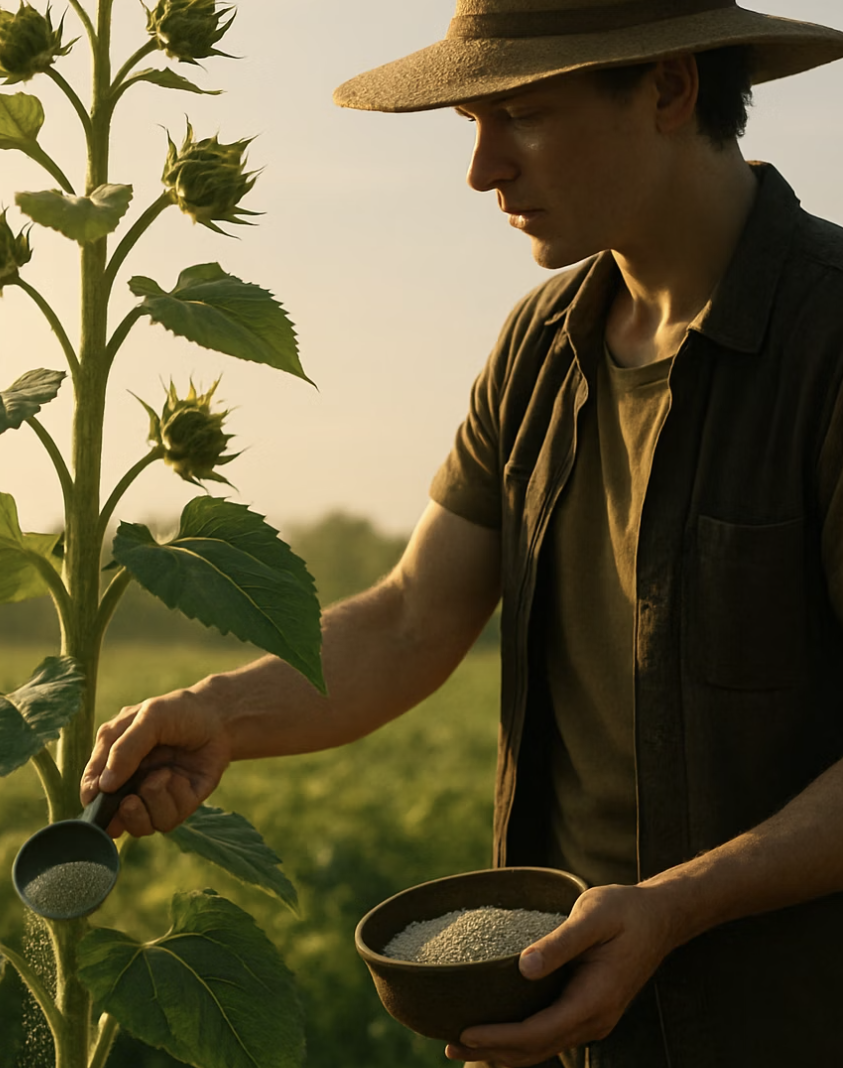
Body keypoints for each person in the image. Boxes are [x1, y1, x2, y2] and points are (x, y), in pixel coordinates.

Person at [81, 2, 843, 1065]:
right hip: (546, 1017)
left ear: (671, 88)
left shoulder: (830, 343)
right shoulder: (539, 346)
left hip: (781, 1024)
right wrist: (219, 715)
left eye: (521, 113)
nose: (483, 169)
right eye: (471, 122)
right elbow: (407, 618)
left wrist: (673, 908)